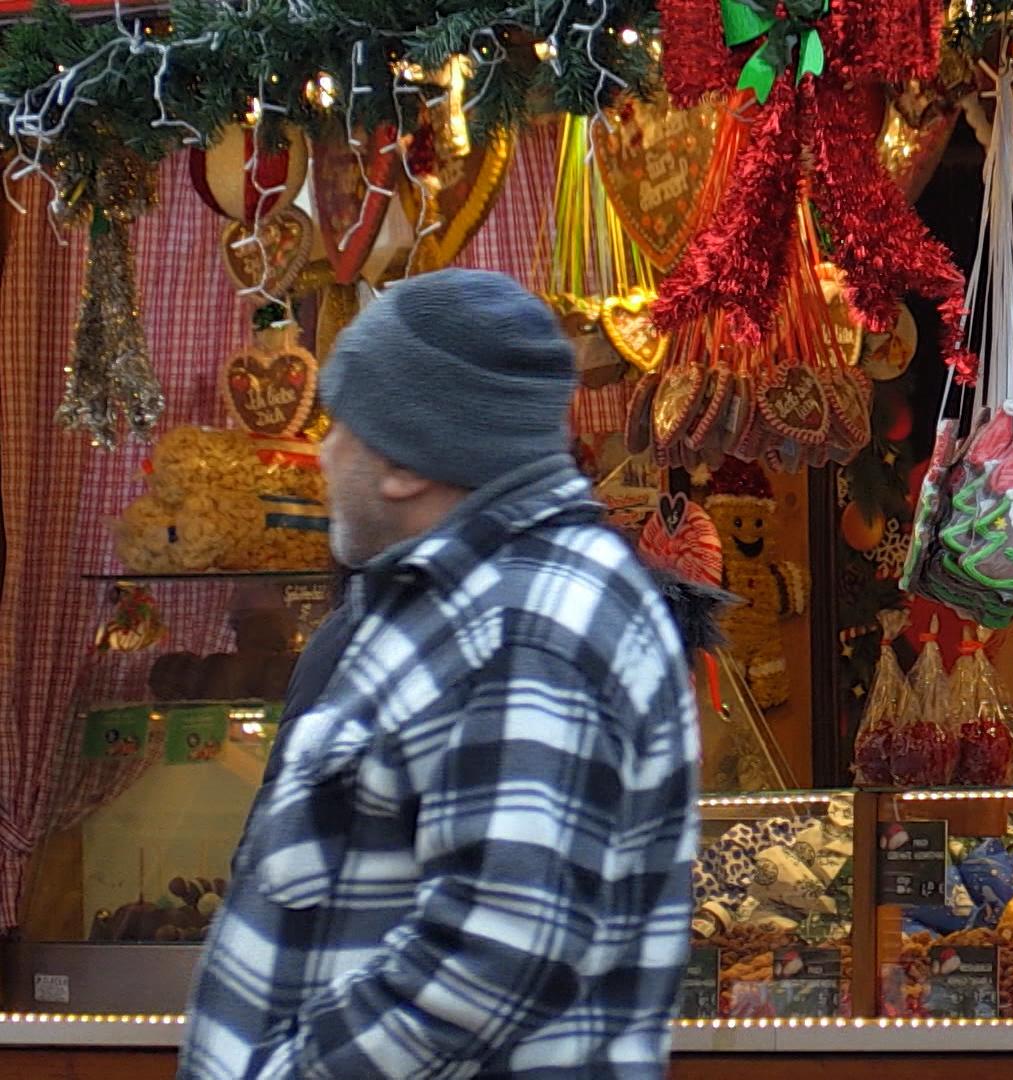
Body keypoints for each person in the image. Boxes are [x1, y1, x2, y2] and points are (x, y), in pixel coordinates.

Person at [180, 269, 701, 1079]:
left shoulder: (526, 624)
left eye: (339, 426)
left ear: (404, 459)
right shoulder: (469, 597)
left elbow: (496, 952)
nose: (322, 454)